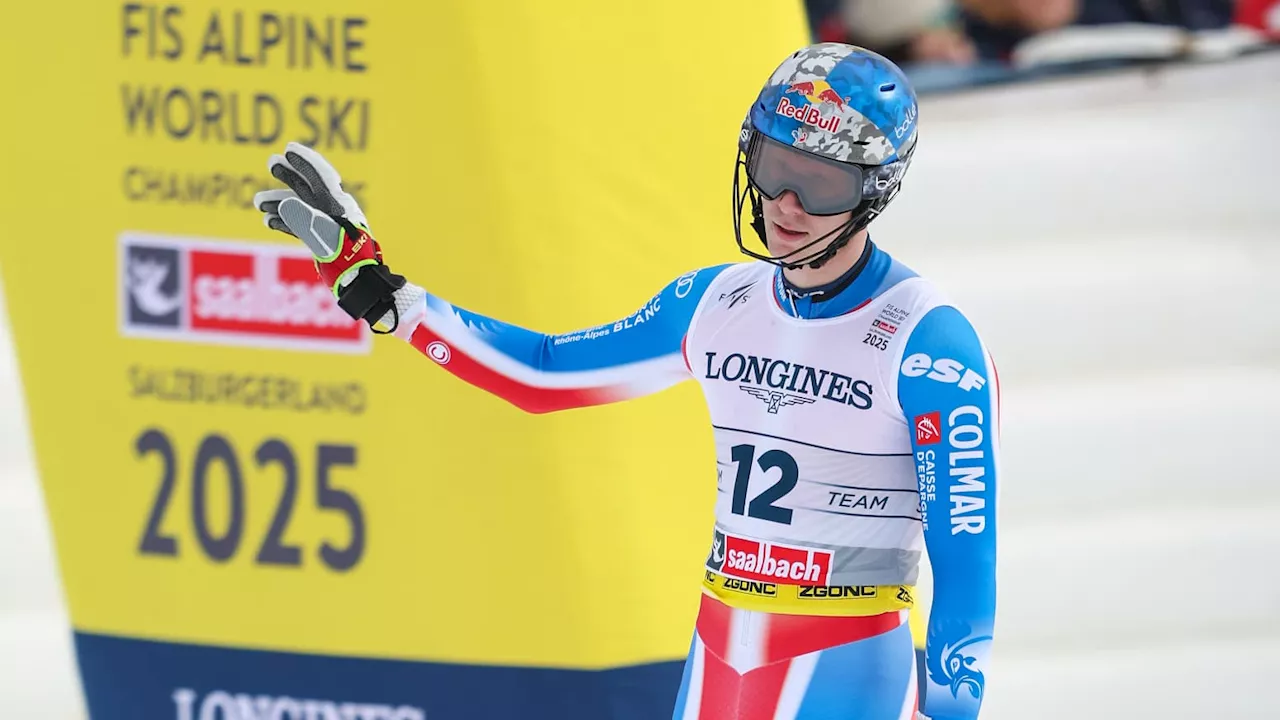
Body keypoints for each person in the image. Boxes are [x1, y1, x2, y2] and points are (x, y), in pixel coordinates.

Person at [254, 42, 999, 720]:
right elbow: (544, 374)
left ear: (875, 189)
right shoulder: (715, 303)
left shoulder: (929, 342)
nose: (787, 207)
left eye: (821, 182)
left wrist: (950, 712)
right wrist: (389, 299)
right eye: (775, 169)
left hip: (848, 665)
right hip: (720, 656)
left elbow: (966, 559)